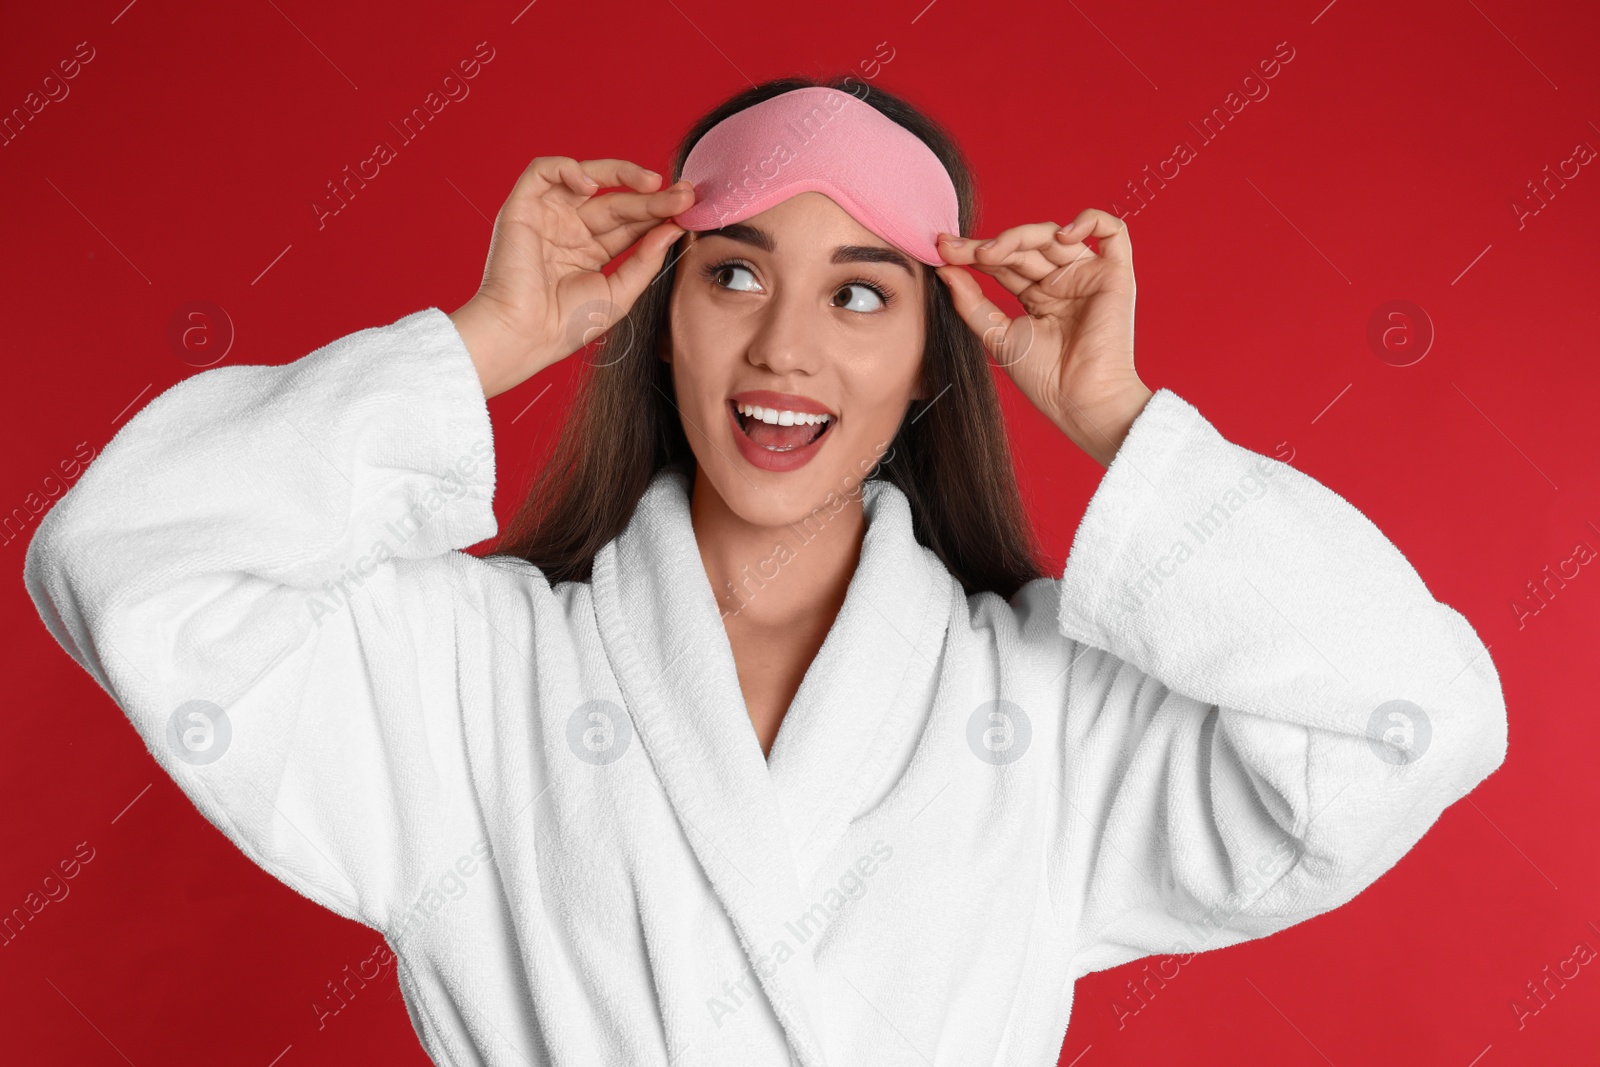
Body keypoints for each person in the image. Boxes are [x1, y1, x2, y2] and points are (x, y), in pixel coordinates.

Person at [24, 76, 1507, 1066]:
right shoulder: (477, 676)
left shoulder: (1047, 714)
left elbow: (1409, 722)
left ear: (933, 349)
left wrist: (1120, 425)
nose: (784, 349)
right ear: (662, 314)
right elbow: (122, 553)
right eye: (733, 274)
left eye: (861, 294)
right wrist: (485, 338)